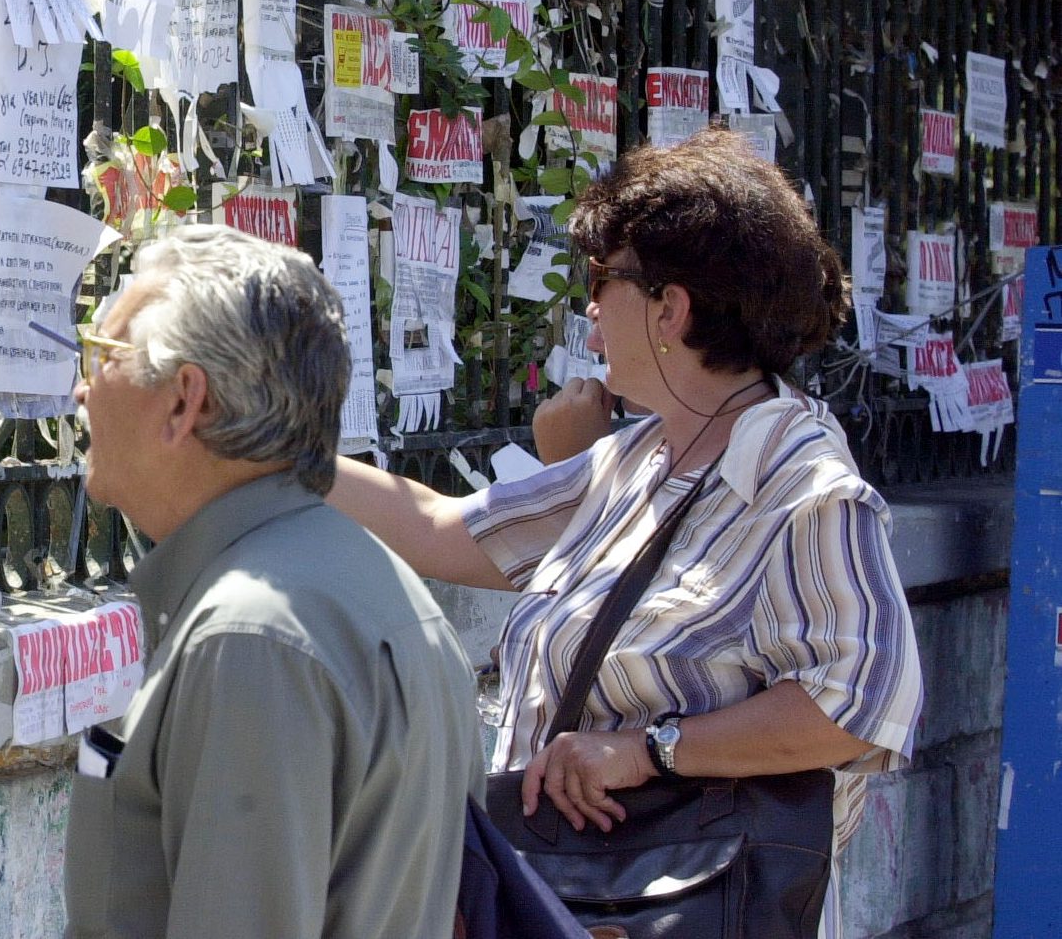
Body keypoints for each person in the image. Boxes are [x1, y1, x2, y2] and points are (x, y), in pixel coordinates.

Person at [328, 129, 923, 938]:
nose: (588, 308)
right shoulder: (643, 456)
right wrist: (280, 450)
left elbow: (857, 706)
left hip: (689, 906)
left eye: (601, 280)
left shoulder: (804, 490)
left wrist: (649, 750)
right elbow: (444, 529)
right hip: (581, 898)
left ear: (669, 309)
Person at [62, 225, 479, 939]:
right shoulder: (366, 581)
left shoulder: (249, 637)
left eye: (102, 357)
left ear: (183, 402)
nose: (80, 389)